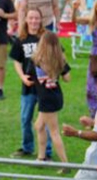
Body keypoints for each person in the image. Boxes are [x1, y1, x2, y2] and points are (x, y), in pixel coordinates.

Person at [9, 8, 52, 159]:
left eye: (36, 18)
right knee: (25, 118)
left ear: (41, 20)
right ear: (26, 20)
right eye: (31, 18)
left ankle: (47, 151)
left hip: (45, 87)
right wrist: (22, 77)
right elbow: (17, 61)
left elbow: (59, 55)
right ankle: (27, 147)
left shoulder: (46, 37)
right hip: (28, 86)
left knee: (46, 120)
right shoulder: (21, 39)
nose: (34, 21)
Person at [30, 31, 71, 169]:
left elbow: (29, 78)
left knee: (54, 132)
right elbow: (67, 79)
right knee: (39, 126)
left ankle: (66, 165)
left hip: (46, 99)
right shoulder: (59, 60)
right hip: (55, 95)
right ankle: (41, 158)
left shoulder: (36, 60)